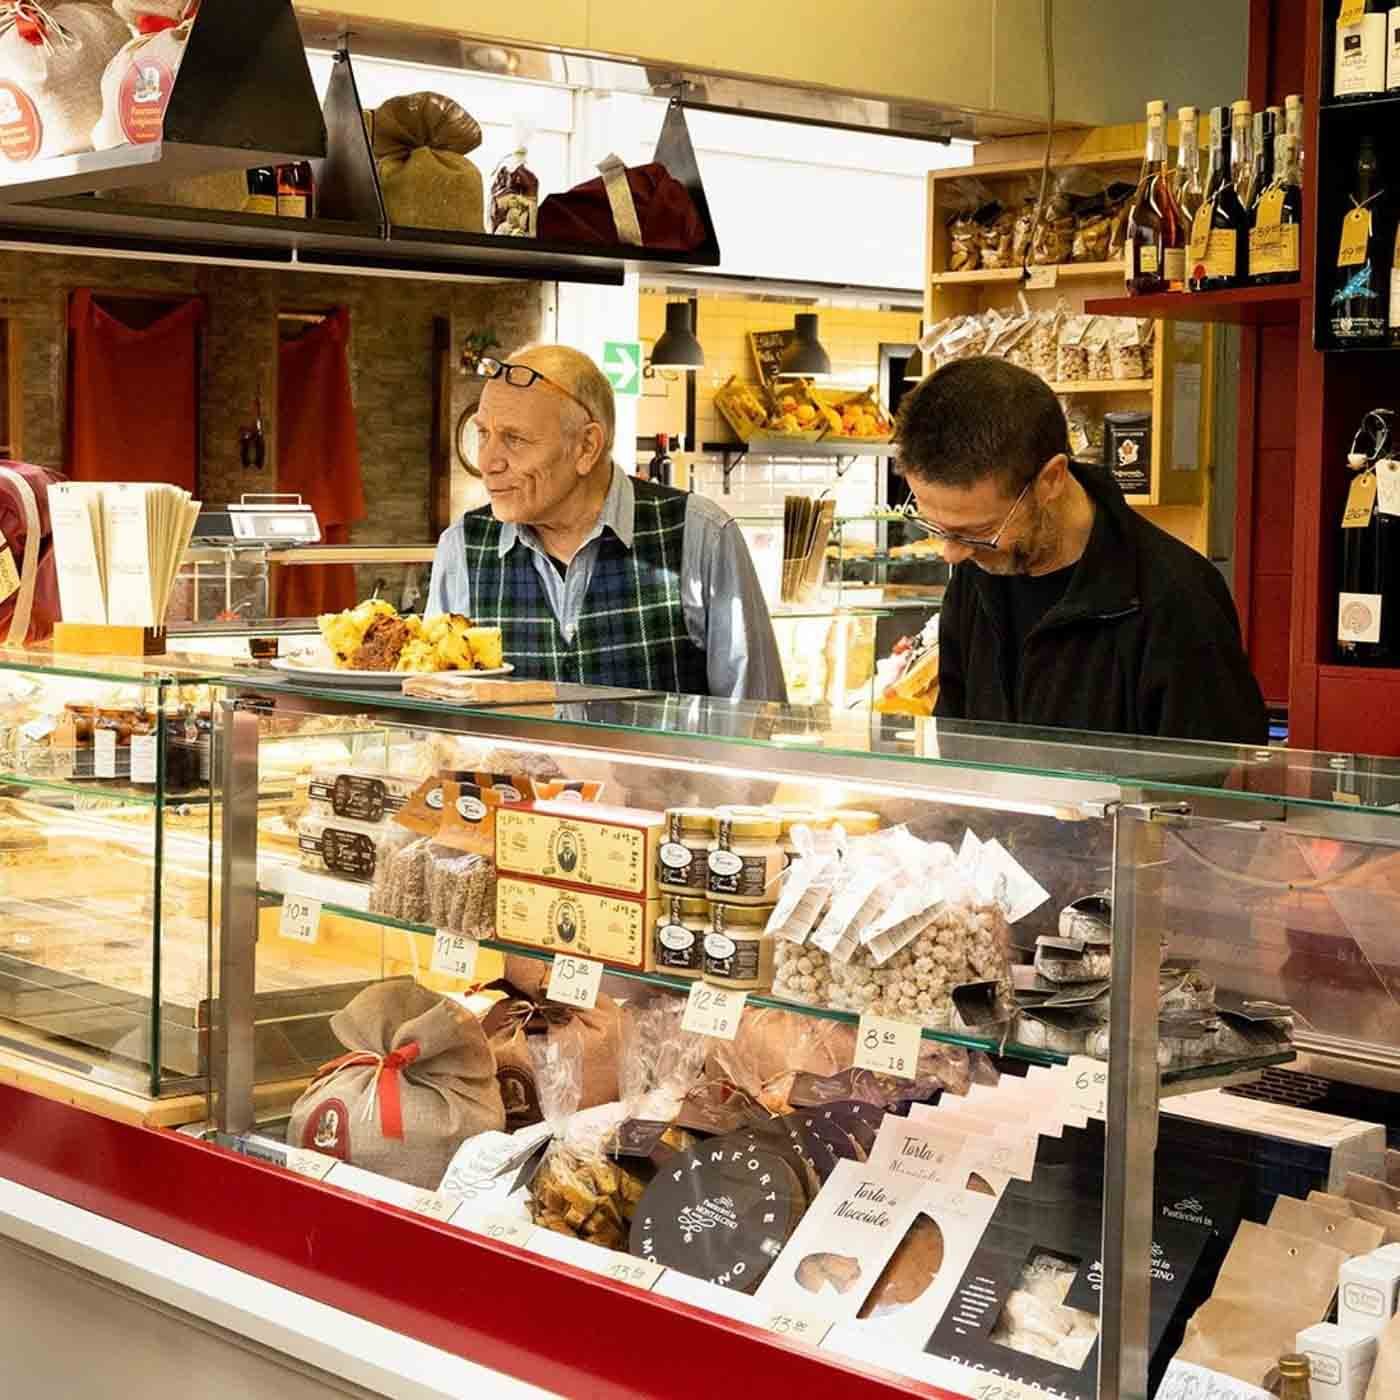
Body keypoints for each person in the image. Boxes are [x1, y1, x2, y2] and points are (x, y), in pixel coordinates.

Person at [894, 356, 1267, 744]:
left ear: (1051, 479)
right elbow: (958, 747)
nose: (951, 554)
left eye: (979, 531)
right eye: (936, 527)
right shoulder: (978, 574)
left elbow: (1217, 787)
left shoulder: (1176, 598)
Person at [428, 345, 786, 702]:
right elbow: (434, 719)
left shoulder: (702, 536)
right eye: (484, 434)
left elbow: (757, 723)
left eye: (515, 438)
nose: (488, 461)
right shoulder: (461, 548)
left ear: (586, 446)